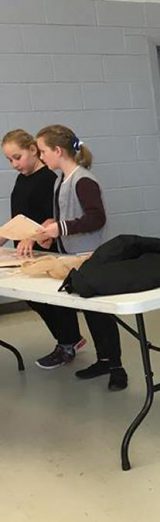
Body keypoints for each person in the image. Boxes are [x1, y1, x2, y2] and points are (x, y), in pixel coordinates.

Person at [34, 124, 128, 391]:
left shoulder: (83, 179)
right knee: (90, 312)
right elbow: (65, 218)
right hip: (72, 257)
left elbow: (96, 218)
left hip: (92, 256)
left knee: (102, 315)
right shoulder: (58, 181)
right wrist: (51, 231)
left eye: (43, 151)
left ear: (57, 150)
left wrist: (61, 228)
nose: (41, 157)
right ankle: (104, 360)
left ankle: (117, 368)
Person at [1, 129, 87, 369]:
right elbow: (19, 216)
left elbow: (54, 217)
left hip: (47, 248)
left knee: (52, 300)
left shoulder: (49, 179)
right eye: (9, 160)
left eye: (17, 157)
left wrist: (33, 236)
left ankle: (68, 342)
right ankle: (68, 339)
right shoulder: (22, 178)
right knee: (35, 299)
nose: (14, 164)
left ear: (32, 150)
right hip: (26, 251)